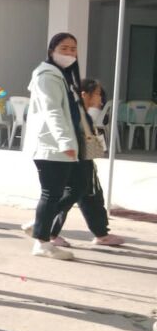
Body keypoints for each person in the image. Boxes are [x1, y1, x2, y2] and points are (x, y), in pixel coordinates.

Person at [22, 78, 124, 247]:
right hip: (70, 156)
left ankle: (98, 233)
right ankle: (45, 228)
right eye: (97, 94)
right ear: (84, 94)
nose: (100, 99)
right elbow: (82, 135)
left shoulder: (79, 109)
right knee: (75, 191)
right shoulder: (73, 110)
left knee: (84, 192)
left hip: (76, 156)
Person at [23, 33, 97, 261]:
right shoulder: (47, 76)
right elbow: (52, 110)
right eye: (64, 48)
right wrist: (64, 141)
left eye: (73, 49)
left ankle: (40, 224)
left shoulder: (63, 76)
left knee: (79, 185)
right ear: (51, 50)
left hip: (64, 144)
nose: (69, 53)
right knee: (52, 192)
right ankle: (42, 242)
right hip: (52, 144)